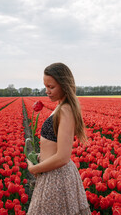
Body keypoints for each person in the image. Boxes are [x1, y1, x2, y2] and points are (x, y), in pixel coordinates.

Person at [26, 63, 91, 215]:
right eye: (45, 86)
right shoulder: (60, 106)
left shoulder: (66, 110)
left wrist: (34, 168)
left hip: (57, 177)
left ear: (64, 85)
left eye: (51, 87)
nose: (46, 91)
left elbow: (63, 157)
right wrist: (41, 157)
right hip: (50, 172)